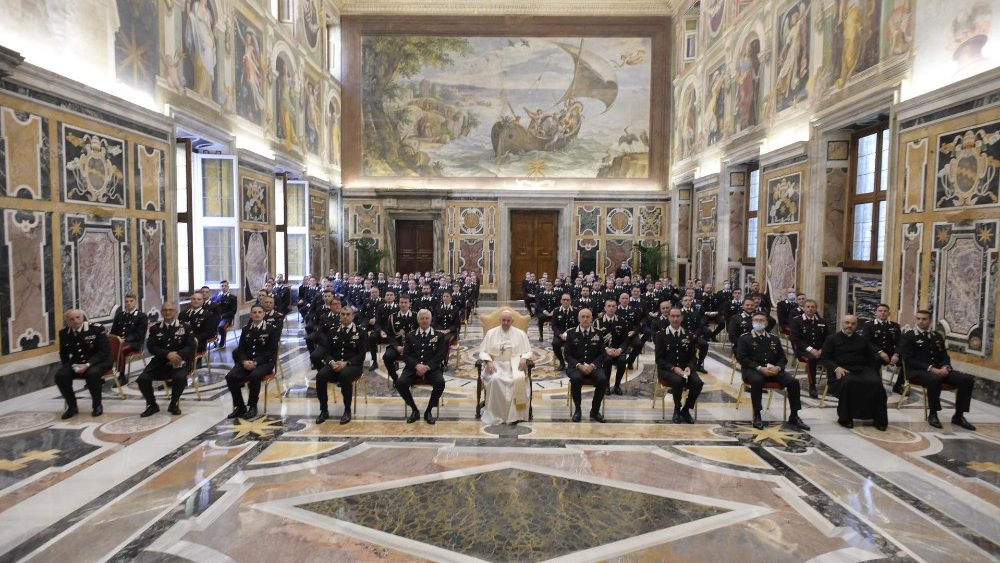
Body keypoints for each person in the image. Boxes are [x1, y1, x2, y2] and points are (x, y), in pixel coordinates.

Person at [898, 310, 976, 430]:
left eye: (924, 319)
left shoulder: (936, 336)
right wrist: (931, 369)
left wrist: (945, 366)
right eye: (918, 318)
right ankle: (933, 414)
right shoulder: (908, 336)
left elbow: (944, 355)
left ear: (930, 320)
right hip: (916, 371)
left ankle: (959, 416)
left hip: (939, 369)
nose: (921, 321)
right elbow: (908, 360)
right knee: (935, 379)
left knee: (967, 380)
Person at [737, 312, 810, 431]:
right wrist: (760, 368)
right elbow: (742, 358)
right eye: (756, 320)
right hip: (753, 370)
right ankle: (757, 414)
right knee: (757, 381)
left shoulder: (774, 338)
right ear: (752, 322)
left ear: (766, 323)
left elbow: (782, 358)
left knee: (793, 382)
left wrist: (778, 368)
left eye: (761, 320)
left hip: (774, 370)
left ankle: (794, 415)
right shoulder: (745, 338)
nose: (759, 322)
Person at [821, 315, 889, 430]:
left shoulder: (862, 339)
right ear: (842, 323)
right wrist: (836, 368)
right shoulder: (832, 339)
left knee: (876, 383)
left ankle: (879, 419)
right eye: (847, 323)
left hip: (861, 368)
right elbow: (825, 358)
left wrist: (873, 369)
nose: (849, 326)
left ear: (857, 325)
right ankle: (845, 418)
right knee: (850, 382)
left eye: (853, 324)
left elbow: (870, 356)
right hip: (841, 370)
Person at [137, 302, 193, 417]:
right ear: (162, 312)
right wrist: (167, 354)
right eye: (165, 310)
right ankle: (152, 405)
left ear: (175, 311)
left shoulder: (185, 327)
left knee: (180, 378)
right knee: (142, 379)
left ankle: (174, 404)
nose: (168, 312)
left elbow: (191, 346)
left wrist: (178, 355)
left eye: (170, 310)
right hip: (160, 362)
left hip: (179, 361)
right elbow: (151, 347)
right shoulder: (155, 328)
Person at [225, 305, 280, 420]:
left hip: (265, 362)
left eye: (260, 312)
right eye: (254, 312)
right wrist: (244, 361)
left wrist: (255, 362)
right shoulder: (246, 329)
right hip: (247, 361)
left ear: (263, 314)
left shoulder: (272, 329)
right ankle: (240, 406)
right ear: (251, 315)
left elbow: (270, 351)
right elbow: (241, 349)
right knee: (230, 376)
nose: (257, 314)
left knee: (254, 376)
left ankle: (252, 406)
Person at [478, 310, 533, 425]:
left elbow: (528, 351)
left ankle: (515, 415)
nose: (506, 323)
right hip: (496, 365)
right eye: (503, 320)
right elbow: (483, 351)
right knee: (495, 380)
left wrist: (524, 358)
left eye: (508, 321)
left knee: (517, 380)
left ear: (512, 321)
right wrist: (488, 361)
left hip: (515, 365)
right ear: (500, 320)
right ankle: (497, 414)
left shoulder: (520, 334)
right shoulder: (491, 333)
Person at [315, 307, 367, 425]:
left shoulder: (360, 332)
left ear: (353, 316)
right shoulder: (333, 331)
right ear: (339, 316)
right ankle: (324, 410)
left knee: (344, 375)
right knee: (320, 375)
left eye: (348, 314)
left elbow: (361, 355)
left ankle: (347, 410)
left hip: (353, 366)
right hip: (335, 364)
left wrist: (346, 363)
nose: (345, 316)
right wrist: (331, 362)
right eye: (342, 314)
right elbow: (327, 352)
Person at [56, 309, 112, 419]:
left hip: (99, 361)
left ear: (82, 317)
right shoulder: (64, 333)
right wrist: (68, 367)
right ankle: (72, 406)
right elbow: (64, 353)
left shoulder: (96, 329)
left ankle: (97, 406)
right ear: (67, 321)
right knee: (60, 375)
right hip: (77, 362)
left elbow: (104, 352)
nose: (75, 321)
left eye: (78, 317)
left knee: (92, 374)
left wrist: (87, 364)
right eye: (71, 319)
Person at [396, 310, 447, 424]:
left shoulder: (439, 336)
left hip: (432, 368)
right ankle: (414, 410)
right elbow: (406, 355)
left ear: (430, 319)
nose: (424, 320)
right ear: (418, 320)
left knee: (440, 383)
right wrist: (416, 366)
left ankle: (428, 411)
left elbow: (441, 355)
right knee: (400, 383)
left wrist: (427, 367)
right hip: (413, 368)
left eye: (426, 318)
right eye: (422, 318)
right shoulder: (410, 335)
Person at [655, 307, 704, 424]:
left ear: (682, 318)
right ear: (668, 317)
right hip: (667, 370)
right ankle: (677, 409)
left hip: (685, 369)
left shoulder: (688, 335)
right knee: (677, 381)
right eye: (673, 316)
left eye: (678, 316)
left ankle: (686, 409)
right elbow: (659, 359)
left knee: (698, 383)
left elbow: (693, 357)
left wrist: (689, 367)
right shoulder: (661, 335)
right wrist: (673, 368)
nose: (675, 319)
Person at [565, 308, 608, 423]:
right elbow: (567, 355)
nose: (585, 319)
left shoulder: (598, 333)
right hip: (576, 367)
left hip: (594, 367)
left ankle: (594, 411)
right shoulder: (571, 333)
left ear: (591, 319)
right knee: (576, 378)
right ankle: (577, 410)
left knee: (602, 379)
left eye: (587, 317)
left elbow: (602, 354)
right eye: (583, 317)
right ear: (578, 318)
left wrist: (593, 366)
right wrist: (579, 365)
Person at [789, 299, 829, 399]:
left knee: (835, 357)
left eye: (812, 307)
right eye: (808, 307)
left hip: (820, 350)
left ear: (816, 309)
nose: (810, 309)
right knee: (812, 359)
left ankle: (833, 384)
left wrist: (821, 350)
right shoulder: (796, 321)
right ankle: (812, 386)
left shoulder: (822, 321)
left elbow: (828, 338)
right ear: (803, 308)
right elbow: (795, 339)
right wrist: (811, 350)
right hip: (803, 351)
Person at [859, 304, 903, 393]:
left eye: (885, 311)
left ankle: (898, 385)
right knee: (875, 360)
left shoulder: (895, 326)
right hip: (874, 353)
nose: (883, 313)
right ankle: (877, 385)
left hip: (891, 353)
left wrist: (896, 354)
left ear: (889, 313)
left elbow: (900, 343)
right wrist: (880, 352)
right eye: (880, 311)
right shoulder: (868, 325)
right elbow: (867, 342)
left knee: (907, 360)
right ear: (875, 313)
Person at [109, 293, 148, 383]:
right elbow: (113, 331)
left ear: (135, 302)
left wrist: (125, 340)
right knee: (105, 348)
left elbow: (140, 334)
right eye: (127, 301)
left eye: (131, 301)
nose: (129, 303)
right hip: (119, 342)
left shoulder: (142, 316)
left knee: (120, 349)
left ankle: (121, 376)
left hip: (134, 343)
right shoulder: (120, 315)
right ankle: (103, 373)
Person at [595, 299, 629, 395]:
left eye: (613, 306)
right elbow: (595, 340)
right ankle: (606, 385)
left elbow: (625, 339)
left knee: (622, 361)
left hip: (618, 351)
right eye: (609, 306)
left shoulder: (622, 321)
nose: (611, 308)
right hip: (604, 351)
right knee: (607, 360)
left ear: (616, 308)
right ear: (605, 308)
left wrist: (620, 349)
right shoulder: (598, 322)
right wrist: (606, 349)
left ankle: (617, 385)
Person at [382, 295, 417, 385]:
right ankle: (395, 378)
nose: (403, 304)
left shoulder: (416, 316)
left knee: (418, 356)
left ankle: (412, 377)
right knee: (387, 357)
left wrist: (408, 346)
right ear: (398, 304)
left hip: (412, 347)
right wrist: (397, 347)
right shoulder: (392, 317)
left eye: (406, 302)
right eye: (401, 302)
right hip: (397, 346)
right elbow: (390, 335)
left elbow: (418, 334)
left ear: (410, 304)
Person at [179, 292, 220, 362]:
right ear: (190, 301)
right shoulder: (183, 314)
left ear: (203, 302)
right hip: (181, 341)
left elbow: (210, 333)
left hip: (198, 343)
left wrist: (192, 338)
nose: (196, 301)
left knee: (182, 352)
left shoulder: (208, 315)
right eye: (194, 299)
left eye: (199, 299)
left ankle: (186, 369)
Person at [551, 294, 579, 371]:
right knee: (555, 344)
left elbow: (578, 325)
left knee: (577, 344)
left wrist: (571, 335)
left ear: (570, 301)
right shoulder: (556, 311)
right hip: (559, 335)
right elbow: (554, 326)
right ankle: (562, 362)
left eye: (568, 300)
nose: (566, 301)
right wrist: (560, 335)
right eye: (564, 300)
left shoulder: (576, 311)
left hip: (572, 335)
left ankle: (573, 363)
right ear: (561, 301)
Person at [212, 280, 238, 348]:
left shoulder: (232, 297)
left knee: (221, 326)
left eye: (225, 286)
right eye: (222, 286)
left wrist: (222, 316)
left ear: (228, 287)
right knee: (209, 325)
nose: (224, 287)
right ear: (219, 287)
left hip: (227, 318)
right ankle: (215, 340)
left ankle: (222, 342)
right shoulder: (215, 297)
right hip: (216, 317)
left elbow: (233, 311)